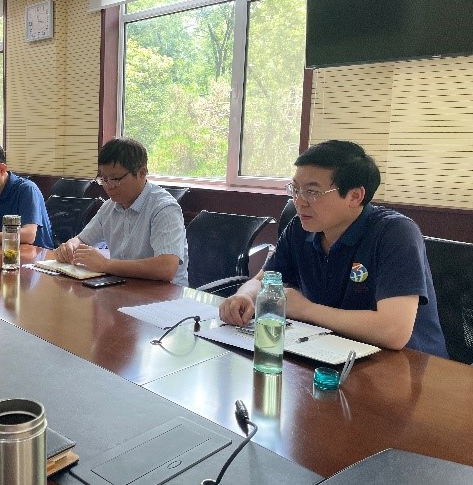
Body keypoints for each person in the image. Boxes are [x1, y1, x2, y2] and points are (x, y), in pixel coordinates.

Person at [219, 140, 448, 357]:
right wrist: (244, 296)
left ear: (355, 196)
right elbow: (262, 280)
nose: (299, 201)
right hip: (330, 351)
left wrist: (306, 310)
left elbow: (393, 331)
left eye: (312, 192)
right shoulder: (299, 228)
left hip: (406, 366)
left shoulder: (394, 233)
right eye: (295, 189)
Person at [54, 138, 188, 286]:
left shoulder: (164, 208)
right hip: (123, 287)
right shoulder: (109, 207)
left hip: (164, 295)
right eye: (103, 179)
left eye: (115, 179)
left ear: (141, 173)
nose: (108, 186)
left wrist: (106, 265)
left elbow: (166, 268)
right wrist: (70, 246)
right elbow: (82, 239)